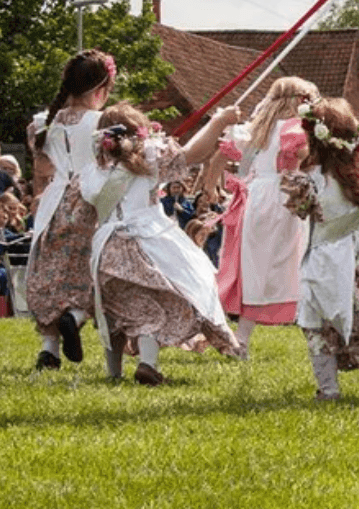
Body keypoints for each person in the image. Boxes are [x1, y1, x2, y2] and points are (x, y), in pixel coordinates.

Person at [87, 103, 244, 384]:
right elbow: (193, 154)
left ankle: (114, 373)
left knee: (115, 310)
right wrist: (219, 121)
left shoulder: (95, 166)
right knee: (152, 305)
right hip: (146, 244)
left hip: (107, 248)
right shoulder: (150, 154)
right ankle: (147, 363)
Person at [280, 98, 359, 403]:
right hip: (356, 261)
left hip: (323, 262)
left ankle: (329, 390)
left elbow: (298, 211)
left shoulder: (311, 182)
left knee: (315, 326)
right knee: (356, 325)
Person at [217, 76, 320, 352]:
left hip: (255, 196)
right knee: (288, 264)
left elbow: (233, 150)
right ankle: (317, 331)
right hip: (282, 197)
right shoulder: (294, 128)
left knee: (255, 266)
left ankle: (241, 336)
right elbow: (302, 155)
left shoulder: (259, 126)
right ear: (299, 101)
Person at [27, 49, 115, 371]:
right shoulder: (101, 123)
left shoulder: (42, 123)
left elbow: (42, 168)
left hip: (53, 203)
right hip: (90, 200)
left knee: (51, 273)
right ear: (100, 89)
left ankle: (49, 349)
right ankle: (76, 316)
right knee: (94, 269)